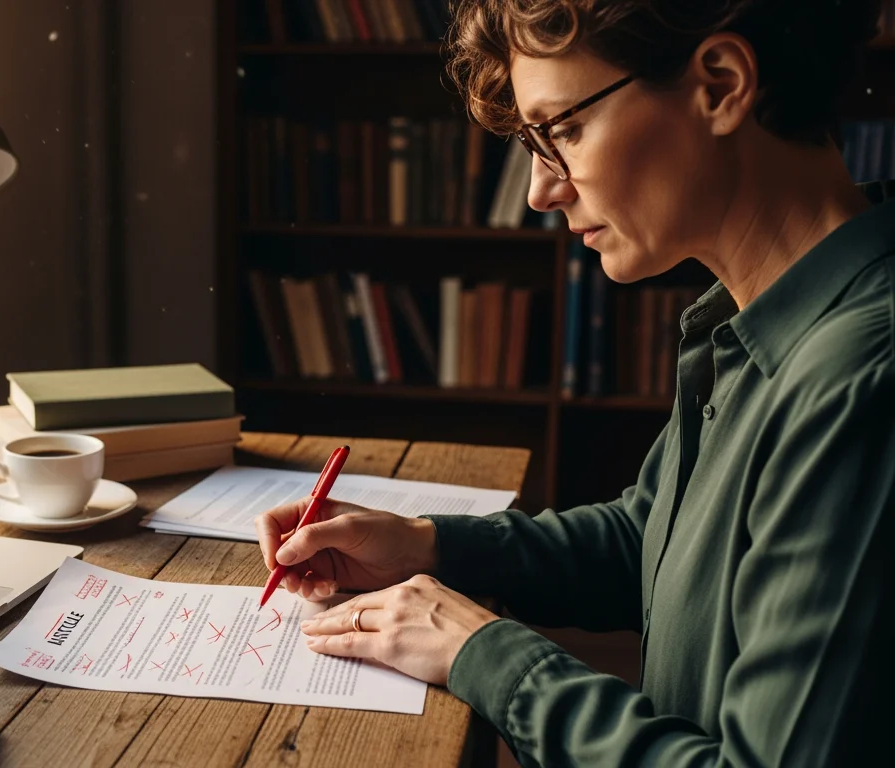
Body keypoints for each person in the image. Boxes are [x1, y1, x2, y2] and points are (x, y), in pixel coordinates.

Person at [254, 1, 895, 765]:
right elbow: (649, 543)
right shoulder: (759, 319)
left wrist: (481, 651)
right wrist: (425, 546)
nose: (540, 191)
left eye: (560, 130)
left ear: (721, 86)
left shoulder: (861, 381)